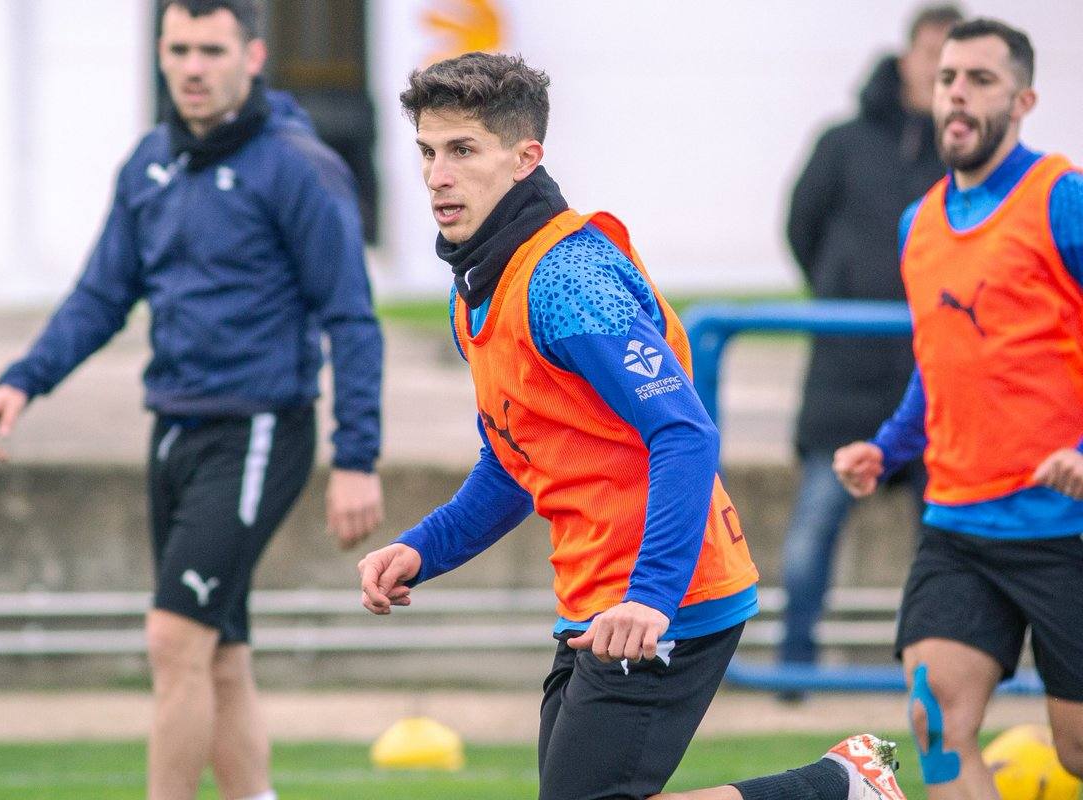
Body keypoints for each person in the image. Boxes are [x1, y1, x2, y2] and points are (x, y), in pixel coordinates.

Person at [358, 51, 907, 800]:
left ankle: (833, 789)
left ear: (526, 159)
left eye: (462, 151)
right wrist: (422, 548)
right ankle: (839, 786)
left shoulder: (564, 279)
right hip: (596, 595)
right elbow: (515, 462)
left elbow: (685, 433)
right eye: (427, 151)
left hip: (664, 598)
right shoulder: (477, 291)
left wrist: (651, 597)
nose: (436, 175)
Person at [0, 2, 383, 798]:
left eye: (211, 49)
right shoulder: (150, 162)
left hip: (260, 431)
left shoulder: (299, 165)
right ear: (161, 54)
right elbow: (101, 294)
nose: (193, 66)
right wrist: (24, 378)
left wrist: (357, 455)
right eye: (178, 49)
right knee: (217, 654)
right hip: (172, 431)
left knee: (172, 639)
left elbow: (351, 318)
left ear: (253, 56)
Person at [834, 17, 1083, 799]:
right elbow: (939, 361)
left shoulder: (1062, 199)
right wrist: (888, 445)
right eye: (948, 79)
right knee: (936, 726)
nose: (959, 95)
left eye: (980, 79)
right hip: (959, 526)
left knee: (1076, 752)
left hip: (1065, 529)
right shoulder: (920, 223)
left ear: (1024, 99)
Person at [779, 3, 963, 680]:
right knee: (811, 536)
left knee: (943, 546)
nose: (942, 74)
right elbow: (800, 228)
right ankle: (790, 677)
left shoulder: (970, 159)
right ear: (908, 56)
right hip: (843, 380)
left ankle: (931, 673)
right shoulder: (843, 142)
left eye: (957, 64)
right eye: (932, 55)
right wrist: (840, 291)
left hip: (938, 381)